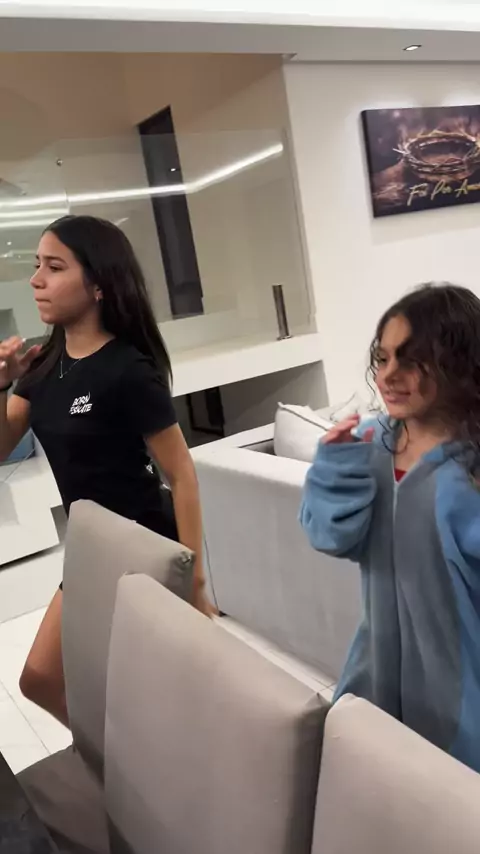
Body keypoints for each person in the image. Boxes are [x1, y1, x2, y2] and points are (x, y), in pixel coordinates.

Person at [0, 214, 213, 729]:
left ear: (97, 284)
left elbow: (182, 475)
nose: (36, 280)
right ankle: (117, 759)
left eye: (54, 267)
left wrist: (195, 580)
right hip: (91, 549)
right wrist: (2, 384)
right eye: (37, 266)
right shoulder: (42, 367)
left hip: (144, 545)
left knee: (159, 693)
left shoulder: (128, 369)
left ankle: (152, 762)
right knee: (39, 679)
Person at [300, 283, 480, 773]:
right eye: (382, 358)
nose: (388, 375)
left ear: (458, 364)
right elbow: (329, 537)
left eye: (411, 360)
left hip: (463, 702)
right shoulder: (367, 444)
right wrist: (335, 468)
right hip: (374, 677)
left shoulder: (470, 471)